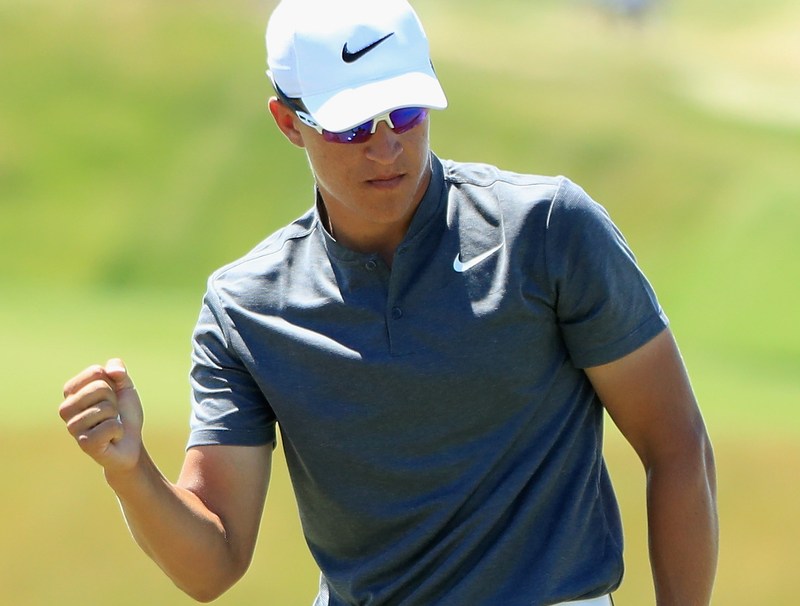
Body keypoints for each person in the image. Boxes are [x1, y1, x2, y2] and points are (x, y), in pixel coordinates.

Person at [58, 0, 718, 604]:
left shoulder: (547, 230)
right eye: (350, 126)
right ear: (288, 123)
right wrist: (131, 471)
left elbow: (676, 444)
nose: (387, 145)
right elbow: (213, 566)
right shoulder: (246, 307)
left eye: (405, 111)